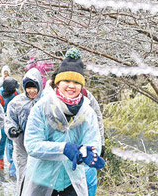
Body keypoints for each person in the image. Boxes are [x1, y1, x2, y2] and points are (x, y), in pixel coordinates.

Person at [22, 48, 105, 196]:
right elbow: (32, 144)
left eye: (76, 82)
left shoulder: (87, 111)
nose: (71, 86)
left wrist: (85, 154)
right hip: (42, 180)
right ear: (57, 83)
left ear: (82, 85)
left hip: (72, 182)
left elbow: (93, 143)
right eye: (66, 81)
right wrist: (63, 149)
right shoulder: (42, 108)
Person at [4, 68, 43, 194]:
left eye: (34, 87)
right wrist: (12, 130)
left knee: (40, 176)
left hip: (41, 145)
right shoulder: (16, 103)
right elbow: (9, 119)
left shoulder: (45, 102)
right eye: (28, 87)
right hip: (22, 146)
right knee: (23, 174)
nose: (31, 91)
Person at [0, 77, 19, 178]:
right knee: (2, 140)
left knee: (11, 141)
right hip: (2, 119)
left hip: (13, 119)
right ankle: (0, 159)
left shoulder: (17, 93)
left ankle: (11, 162)